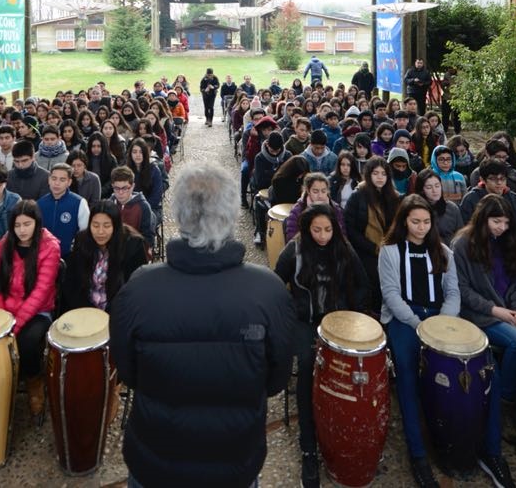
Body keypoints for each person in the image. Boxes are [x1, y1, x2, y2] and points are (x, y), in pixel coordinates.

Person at [111, 163, 294, 488]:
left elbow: (127, 373)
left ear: (179, 215)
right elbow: (277, 379)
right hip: (234, 457)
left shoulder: (138, 289)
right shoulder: (269, 291)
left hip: (156, 457)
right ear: (229, 215)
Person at [380, 197, 512, 488]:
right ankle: (418, 454)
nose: (421, 227)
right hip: (406, 319)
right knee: (406, 369)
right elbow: (391, 295)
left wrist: (443, 322)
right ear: (404, 222)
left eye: (426, 222)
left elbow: (452, 292)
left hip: (441, 316)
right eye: (415, 222)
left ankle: (492, 452)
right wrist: (422, 328)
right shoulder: (389, 252)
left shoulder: (442, 251)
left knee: (487, 367)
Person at [275, 205, 369, 486]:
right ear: (307, 229)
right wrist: (291, 313)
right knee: (306, 364)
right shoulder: (294, 250)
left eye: (328, 229)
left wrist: (352, 318)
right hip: (305, 320)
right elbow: (277, 284)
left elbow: (364, 286)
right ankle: (308, 445)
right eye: (317, 230)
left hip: (337, 319)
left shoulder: (344, 249)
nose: (323, 236)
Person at [453, 195, 516, 410]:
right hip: (480, 314)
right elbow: (463, 290)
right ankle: (505, 397)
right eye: (496, 221)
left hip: (510, 310)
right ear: (483, 219)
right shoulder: (463, 245)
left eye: (506, 223)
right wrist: (496, 311)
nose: (502, 228)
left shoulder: (509, 242)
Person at [0, 201, 61, 420]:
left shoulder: (50, 247)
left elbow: (40, 292)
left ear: (37, 223)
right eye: (17, 225)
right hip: (5, 311)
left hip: (38, 312)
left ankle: (34, 383)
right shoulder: (4, 245)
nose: (22, 230)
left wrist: (13, 326)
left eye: (27, 224)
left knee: (27, 344)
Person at [60, 201, 148, 313]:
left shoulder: (133, 244)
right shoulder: (82, 240)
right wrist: (87, 310)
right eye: (95, 225)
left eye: (107, 226)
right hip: (85, 310)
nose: (100, 232)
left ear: (115, 226)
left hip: (120, 311)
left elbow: (135, 287)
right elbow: (72, 281)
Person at [344, 156, 401, 312]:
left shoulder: (393, 197)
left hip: (388, 247)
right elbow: (350, 228)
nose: (380, 177)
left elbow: (397, 225)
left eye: (383, 174)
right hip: (364, 250)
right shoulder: (358, 196)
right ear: (368, 175)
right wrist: (373, 247)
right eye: (376, 173)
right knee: (373, 279)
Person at [461, 160, 516, 249]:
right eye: (493, 179)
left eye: (502, 178)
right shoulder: (471, 199)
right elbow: (466, 228)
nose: (499, 183)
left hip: (512, 251)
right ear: (482, 179)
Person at [37, 163, 89, 255]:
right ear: (49, 180)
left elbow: (85, 233)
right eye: (54, 178)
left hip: (70, 256)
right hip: (44, 255)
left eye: (62, 180)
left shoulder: (79, 203)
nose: (57, 183)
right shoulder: (40, 203)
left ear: (69, 182)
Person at [108, 166, 156, 252]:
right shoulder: (109, 204)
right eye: (117, 188)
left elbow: (148, 238)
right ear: (112, 186)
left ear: (133, 186)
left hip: (134, 252)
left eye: (125, 188)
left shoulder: (143, 207)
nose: (120, 192)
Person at [412, 168, 465, 244]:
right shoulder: (415, 210)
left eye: (437, 186)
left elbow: (461, 236)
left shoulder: (452, 208)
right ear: (421, 190)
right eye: (429, 187)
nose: (434, 190)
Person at [283, 172, 340, 241]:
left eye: (324, 191)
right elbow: (292, 239)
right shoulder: (297, 210)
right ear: (308, 191)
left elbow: (342, 236)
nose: (320, 196)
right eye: (315, 192)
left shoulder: (335, 209)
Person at [6, 138, 50, 203]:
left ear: (33, 157)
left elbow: (44, 203)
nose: (20, 165)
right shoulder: (8, 175)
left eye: (24, 160)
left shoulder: (46, 177)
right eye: (16, 161)